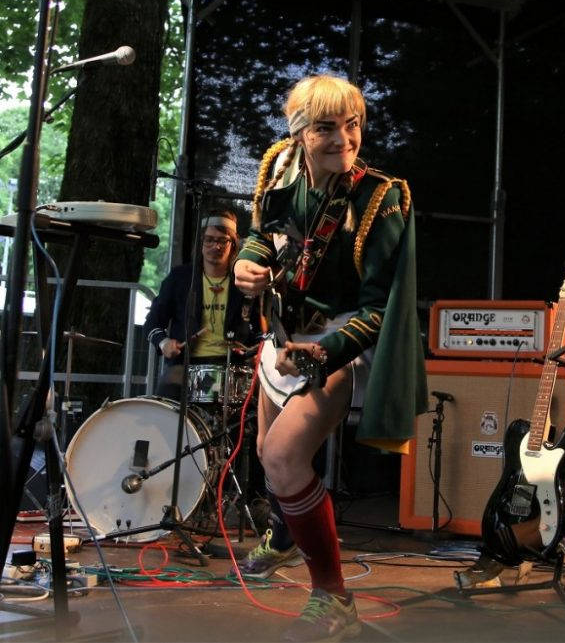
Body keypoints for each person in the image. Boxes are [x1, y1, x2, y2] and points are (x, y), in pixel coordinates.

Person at [233, 74, 426, 643]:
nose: (344, 139)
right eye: (325, 128)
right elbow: (264, 234)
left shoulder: (381, 198)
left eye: (352, 125)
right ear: (299, 133)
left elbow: (380, 308)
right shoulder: (279, 168)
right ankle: (284, 532)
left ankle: (335, 598)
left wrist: (323, 353)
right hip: (281, 334)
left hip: (338, 342)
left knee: (284, 457)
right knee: (269, 458)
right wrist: (247, 260)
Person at [145, 209, 249, 401]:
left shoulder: (243, 283)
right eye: (209, 240)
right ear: (200, 242)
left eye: (222, 241)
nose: (215, 246)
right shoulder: (180, 279)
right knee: (165, 403)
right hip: (186, 365)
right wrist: (164, 342)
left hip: (232, 366)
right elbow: (152, 324)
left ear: (233, 244)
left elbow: (261, 331)